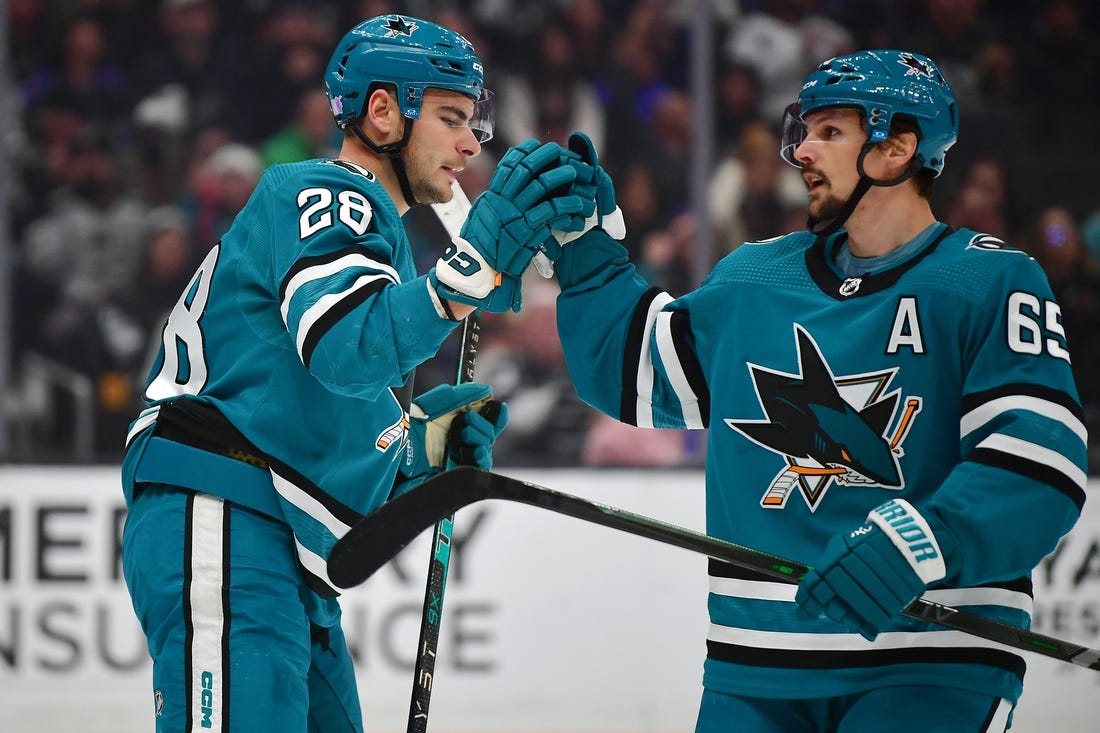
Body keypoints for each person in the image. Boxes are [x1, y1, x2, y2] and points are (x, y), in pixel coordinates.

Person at [551, 50, 1087, 731]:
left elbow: (1040, 466)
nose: (801, 149)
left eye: (829, 132)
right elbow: (634, 370)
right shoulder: (753, 279)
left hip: (931, 659)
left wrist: (925, 538)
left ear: (898, 147)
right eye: (801, 130)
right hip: (755, 667)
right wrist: (587, 259)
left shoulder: (988, 282)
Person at [120, 14, 591, 733]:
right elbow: (344, 351)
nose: (471, 143)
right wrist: (465, 273)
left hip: (280, 547)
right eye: (451, 117)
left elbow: (326, 413)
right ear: (382, 111)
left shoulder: (375, 248)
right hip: (222, 511)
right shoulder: (325, 192)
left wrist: (420, 457)